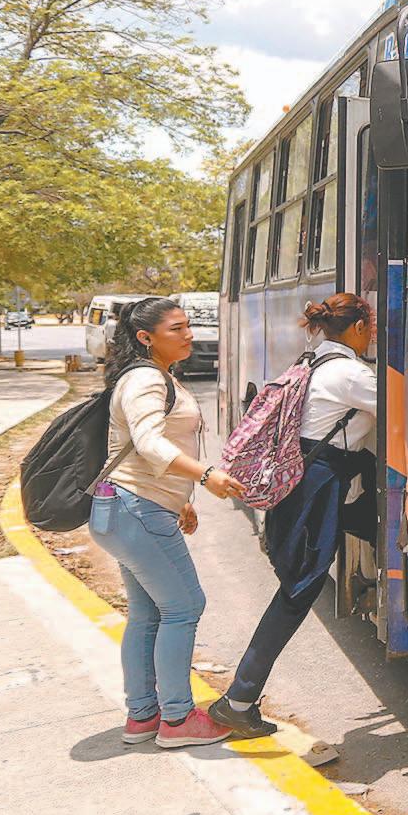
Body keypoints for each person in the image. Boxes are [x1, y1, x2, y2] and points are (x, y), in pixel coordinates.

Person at [210, 293, 379, 738]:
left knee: (312, 576)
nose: (373, 335)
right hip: (316, 488)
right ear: (358, 328)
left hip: (308, 482)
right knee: (298, 591)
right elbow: (405, 403)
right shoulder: (349, 374)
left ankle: (239, 698)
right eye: (371, 326)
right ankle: (238, 700)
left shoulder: (314, 361)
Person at [89, 296, 248, 748]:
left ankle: (142, 716)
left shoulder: (152, 375)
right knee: (183, 606)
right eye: (176, 328)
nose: (188, 334)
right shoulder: (144, 379)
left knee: (148, 613)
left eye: (187, 325)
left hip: (126, 509)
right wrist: (205, 475)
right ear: (146, 337)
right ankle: (177, 719)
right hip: (136, 510)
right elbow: (148, 444)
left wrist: (181, 500)